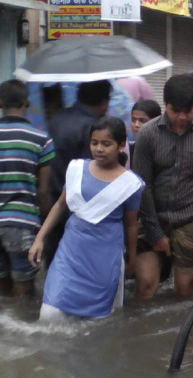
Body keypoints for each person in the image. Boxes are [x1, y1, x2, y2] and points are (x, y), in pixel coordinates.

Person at [29, 117, 143, 319]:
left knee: (98, 321)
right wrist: (39, 238)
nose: (99, 149)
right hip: (71, 254)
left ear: (121, 145)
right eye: (94, 143)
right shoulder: (76, 170)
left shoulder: (130, 184)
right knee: (49, 314)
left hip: (105, 259)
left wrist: (132, 259)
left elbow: (131, 225)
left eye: (106, 144)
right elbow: (60, 205)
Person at [131, 74, 193, 299]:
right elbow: (142, 186)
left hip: (189, 220)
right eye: (176, 111)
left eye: (188, 110)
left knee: (186, 291)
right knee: (145, 286)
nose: (182, 117)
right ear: (165, 104)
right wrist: (155, 233)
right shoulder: (148, 134)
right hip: (151, 216)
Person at [0, 80, 55, 297]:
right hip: (22, 223)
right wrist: (48, 226)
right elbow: (42, 192)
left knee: (1, 280)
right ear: (27, 102)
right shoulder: (41, 140)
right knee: (24, 284)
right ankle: (21, 325)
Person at [46, 80, 112, 266]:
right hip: (78, 208)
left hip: (51, 202)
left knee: (54, 260)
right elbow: (93, 174)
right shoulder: (94, 129)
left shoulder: (55, 120)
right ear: (104, 102)